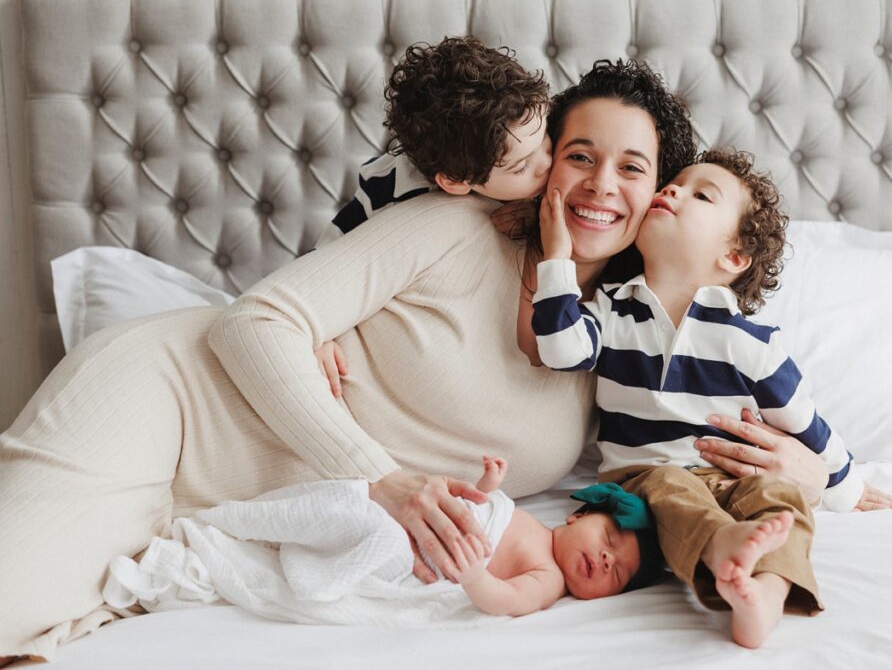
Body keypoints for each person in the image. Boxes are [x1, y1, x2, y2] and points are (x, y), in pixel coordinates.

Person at [0, 61, 827, 663]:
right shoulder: (452, 227)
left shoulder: (621, 347)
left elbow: (675, 473)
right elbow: (252, 324)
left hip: (228, 526)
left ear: (661, 197)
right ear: (542, 168)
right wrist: (381, 477)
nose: (599, 184)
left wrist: (810, 470)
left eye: (632, 167)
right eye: (578, 153)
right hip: (169, 408)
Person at [529, 147, 892, 648]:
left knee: (781, 499)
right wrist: (557, 260)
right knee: (669, 487)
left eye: (701, 194)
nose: (672, 190)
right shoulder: (613, 312)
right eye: (672, 184)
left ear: (733, 257)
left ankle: (764, 595)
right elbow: (559, 350)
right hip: (644, 479)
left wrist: (847, 487)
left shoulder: (747, 342)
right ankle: (722, 545)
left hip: (728, 478)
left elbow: (804, 423)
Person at [105, 457, 665, 621]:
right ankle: (232, 521)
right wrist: (488, 485)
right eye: (612, 538)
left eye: (616, 573)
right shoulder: (527, 520)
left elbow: (506, 600)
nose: (605, 559)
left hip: (408, 561)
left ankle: (313, 579)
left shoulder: (545, 579)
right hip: (401, 518)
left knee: (377, 530)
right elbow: (471, 504)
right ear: (577, 515)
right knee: (352, 495)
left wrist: (474, 577)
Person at [316, 36, 552, 250]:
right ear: (455, 181)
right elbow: (322, 263)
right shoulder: (389, 189)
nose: (548, 162)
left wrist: (535, 215)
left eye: (545, 137)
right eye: (522, 166)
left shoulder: (533, 129)